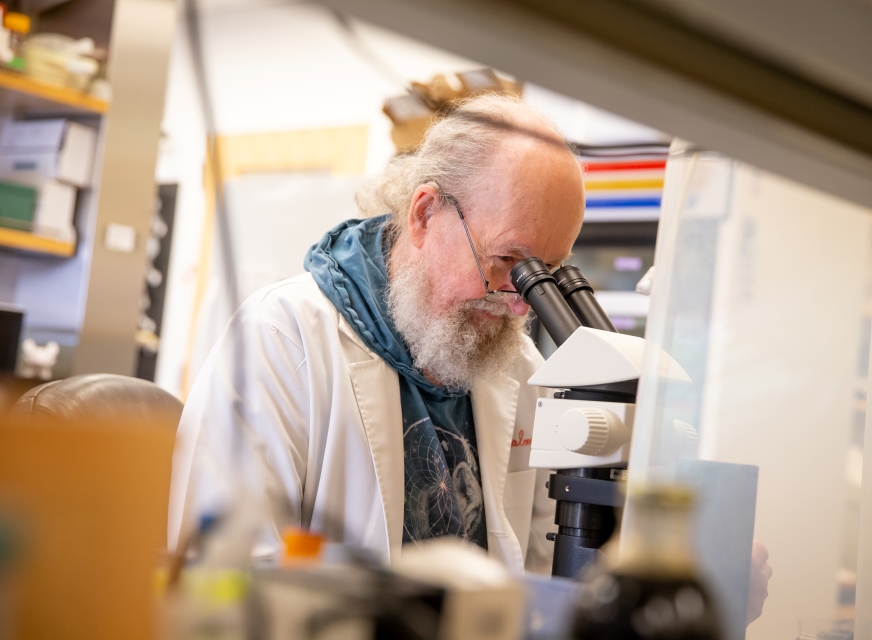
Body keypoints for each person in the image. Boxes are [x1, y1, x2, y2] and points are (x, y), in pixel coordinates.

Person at [167, 93, 771, 618]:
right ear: (426, 213)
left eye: (546, 274)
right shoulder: (280, 341)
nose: (519, 305)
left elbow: (543, 578)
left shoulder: (522, 372)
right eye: (509, 262)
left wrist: (685, 575)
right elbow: (221, 583)